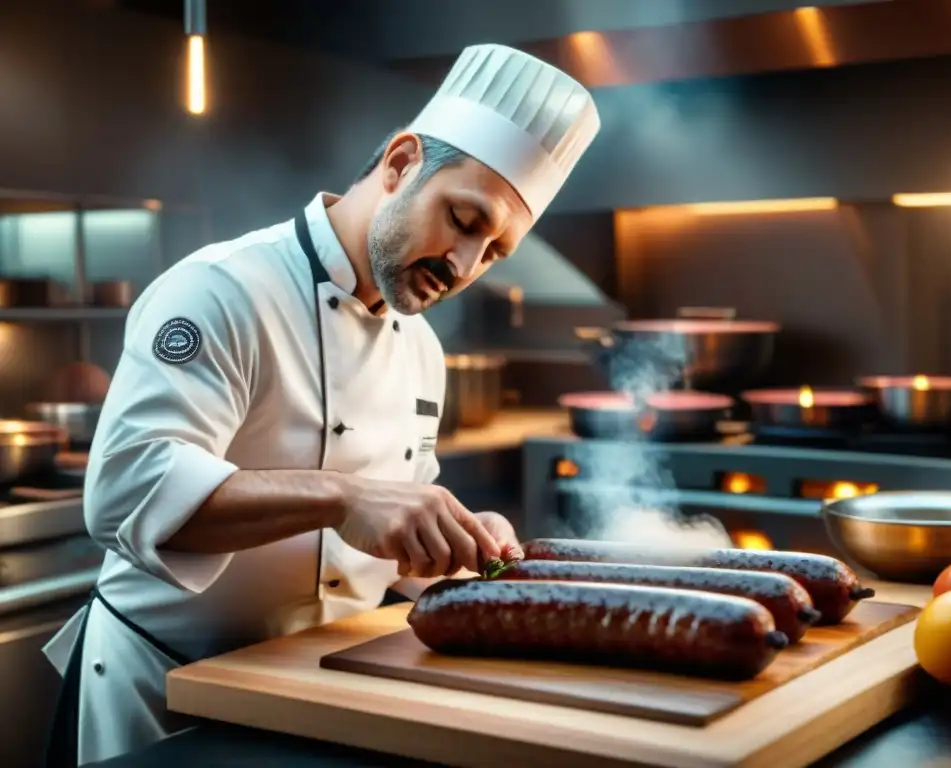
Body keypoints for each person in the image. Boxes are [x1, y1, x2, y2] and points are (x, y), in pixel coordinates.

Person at [41, 42, 600, 766]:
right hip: (165, 695)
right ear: (400, 164)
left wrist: (453, 537)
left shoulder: (422, 348)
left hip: (315, 694)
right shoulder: (223, 290)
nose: (464, 266)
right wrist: (344, 497)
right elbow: (124, 493)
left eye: (494, 252)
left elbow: (386, 517)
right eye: (464, 220)